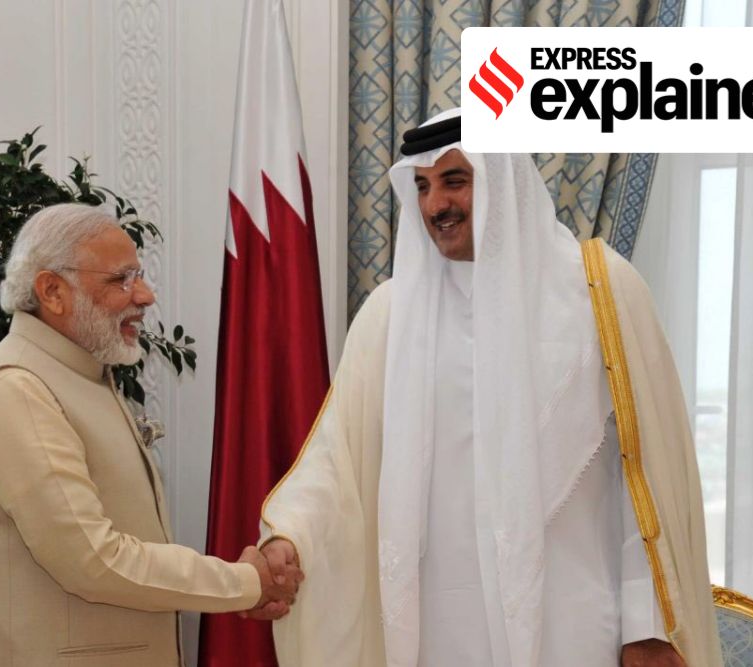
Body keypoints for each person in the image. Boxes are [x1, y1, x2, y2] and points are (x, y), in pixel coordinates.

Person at [257, 109, 723, 667]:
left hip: (573, 623)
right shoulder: (390, 316)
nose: (436, 206)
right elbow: (337, 461)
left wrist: (647, 626)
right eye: (423, 186)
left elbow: (643, 478)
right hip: (434, 627)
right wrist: (287, 539)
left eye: (456, 180)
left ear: (504, 180)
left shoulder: (598, 291)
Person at [0, 203, 299, 666]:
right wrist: (245, 583)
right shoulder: (17, 389)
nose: (146, 296)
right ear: (52, 291)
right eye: (121, 279)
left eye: (140, 276)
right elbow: (92, 559)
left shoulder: (80, 375)